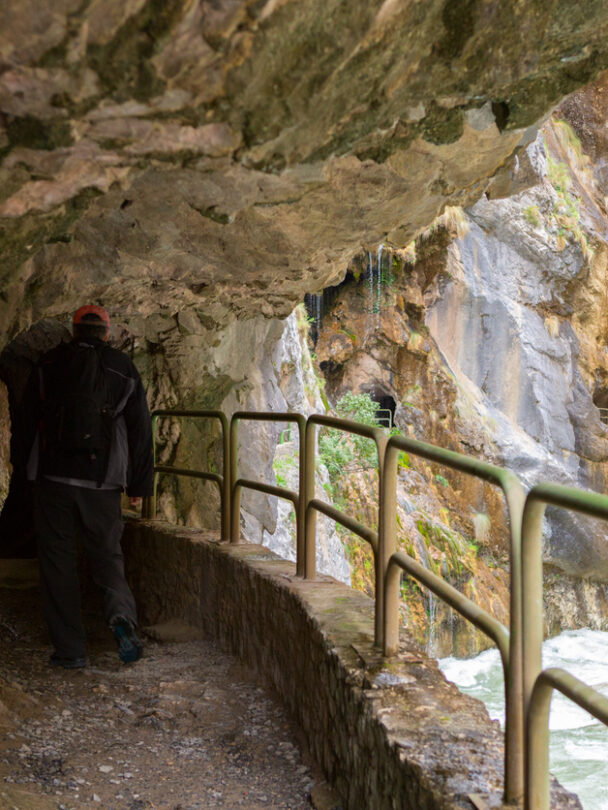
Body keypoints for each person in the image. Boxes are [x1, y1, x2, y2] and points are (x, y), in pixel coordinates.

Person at [17, 305, 154, 668]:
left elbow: (26, 419)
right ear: (107, 333)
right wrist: (140, 484)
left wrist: (22, 472)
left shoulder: (48, 364)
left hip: (51, 479)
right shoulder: (122, 368)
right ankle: (122, 616)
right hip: (103, 482)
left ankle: (70, 650)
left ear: (74, 331)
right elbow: (141, 430)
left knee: (57, 563)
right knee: (108, 557)